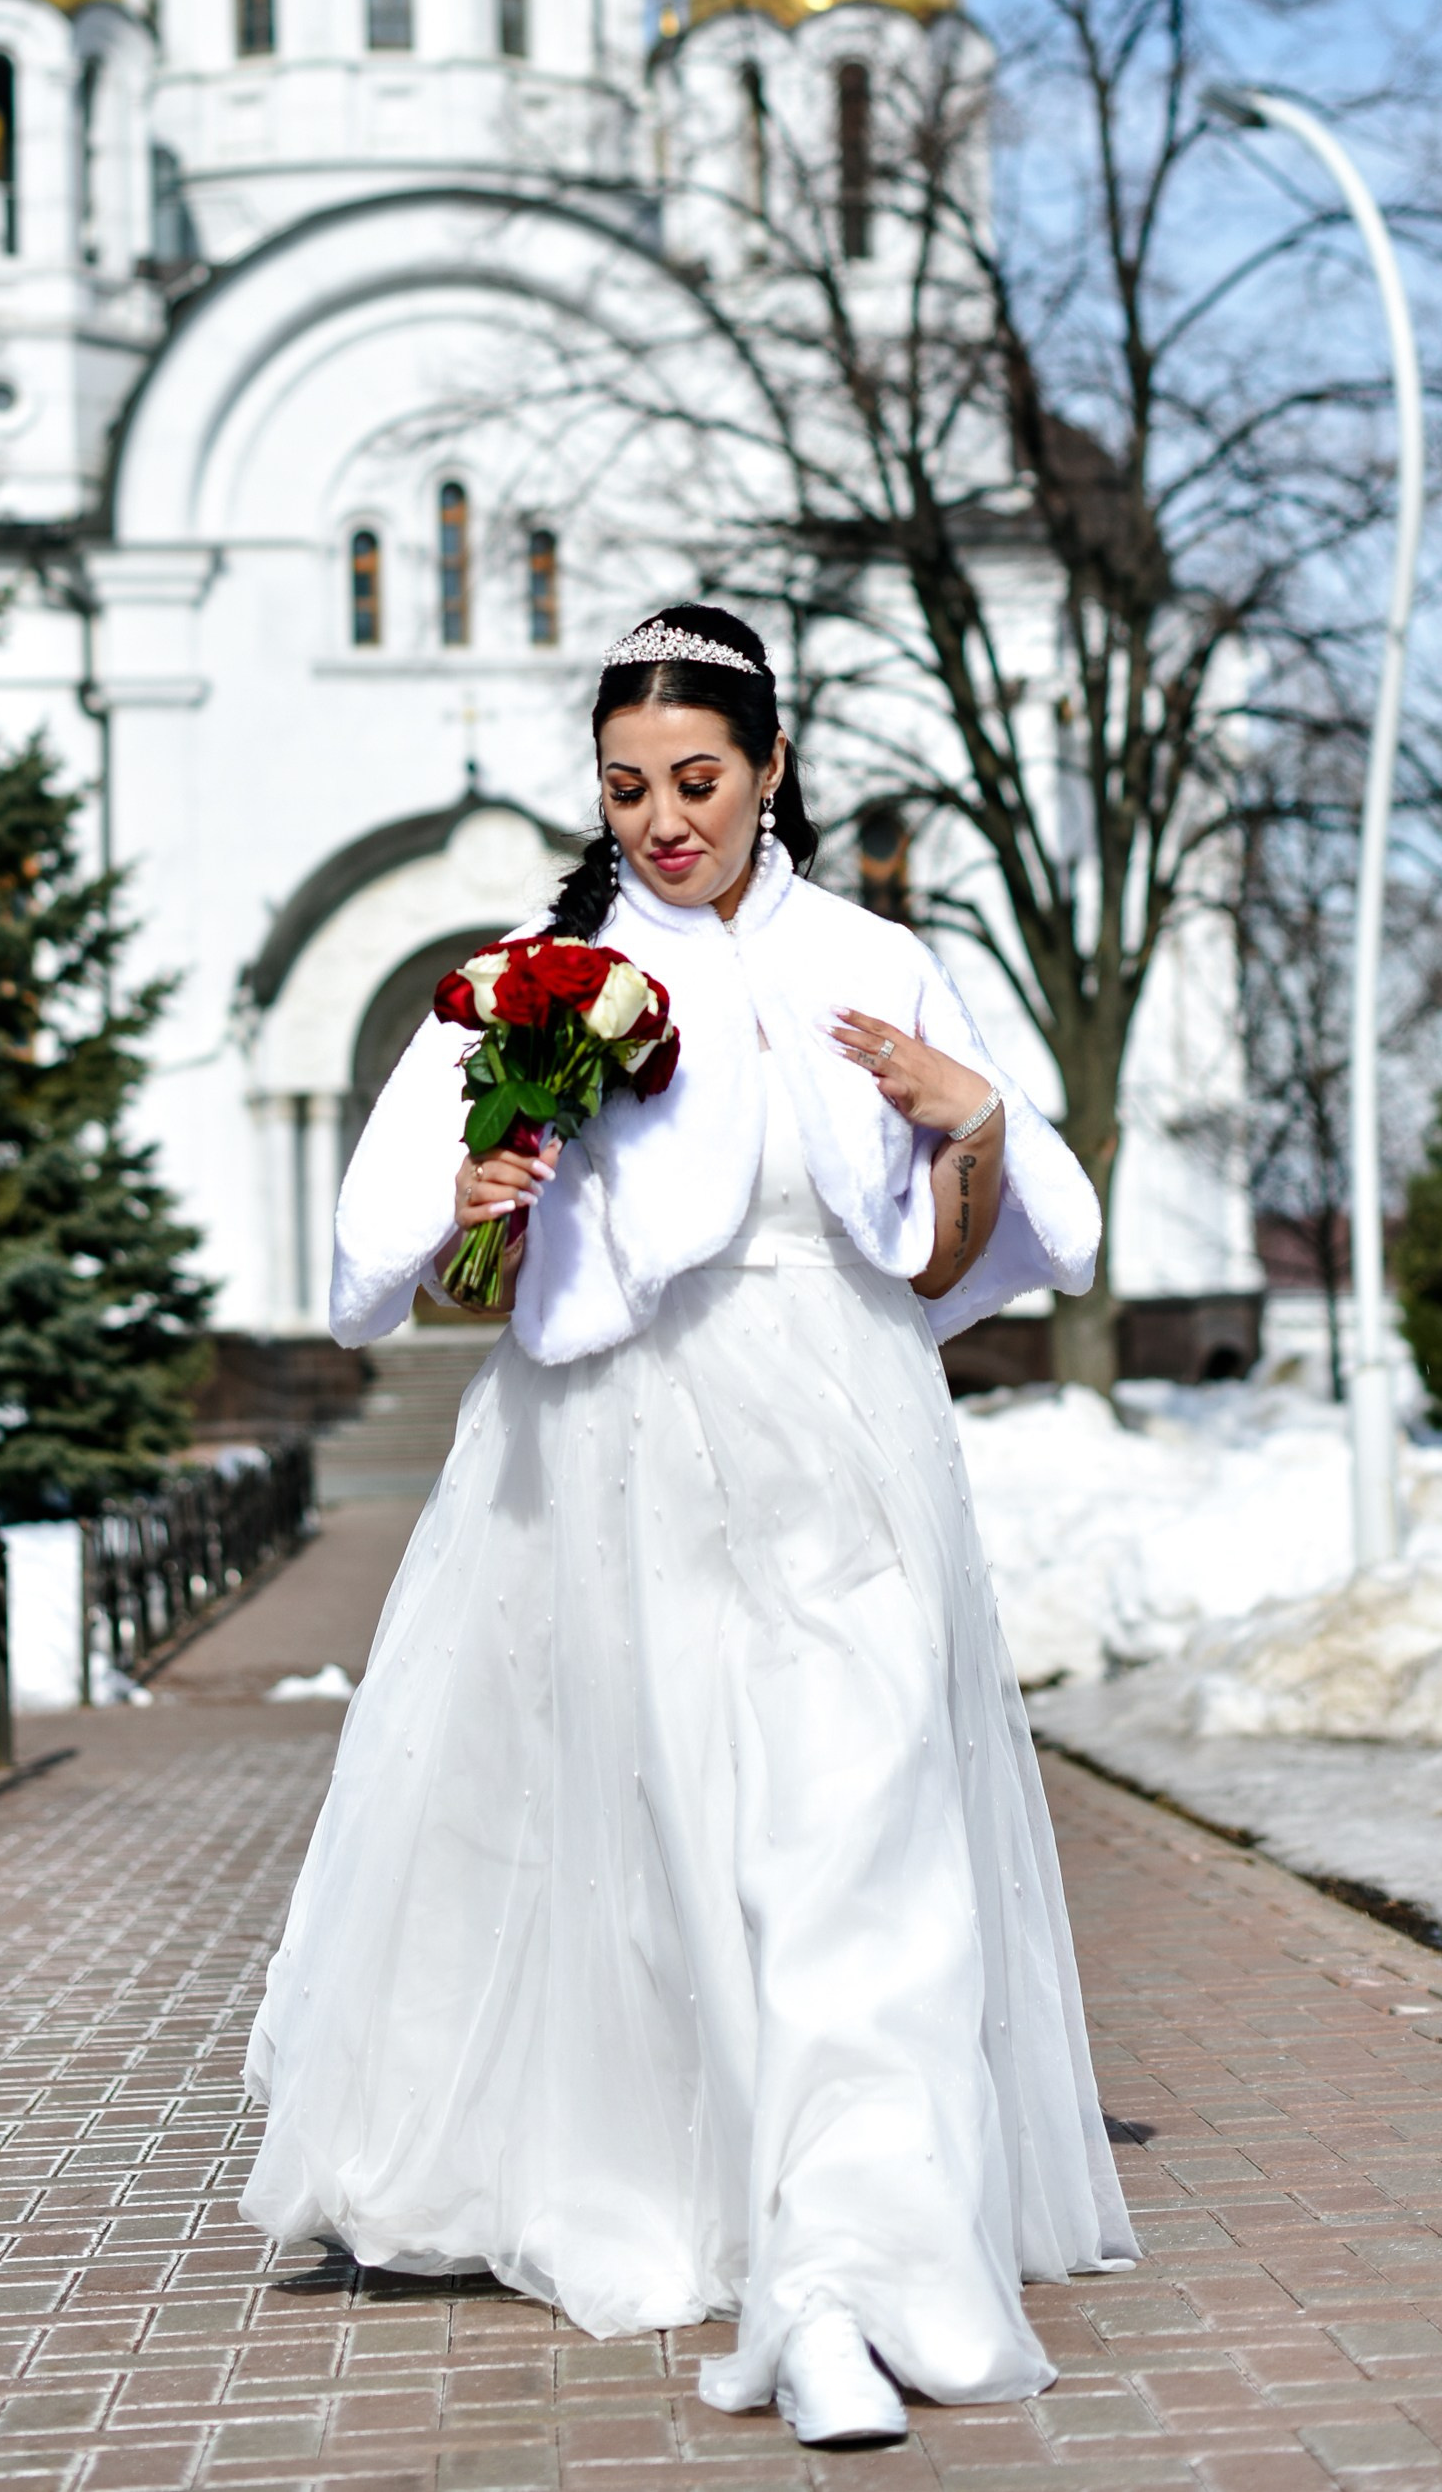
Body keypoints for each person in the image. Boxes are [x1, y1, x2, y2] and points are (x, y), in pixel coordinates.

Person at [242, 606, 1135, 2443]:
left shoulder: (879, 959)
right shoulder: (537, 977)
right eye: (629, 785)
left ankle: (847, 2269)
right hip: (612, 1455)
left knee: (859, 1840)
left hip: (847, 1447)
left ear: (772, 770)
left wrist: (969, 1123)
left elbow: (957, 1258)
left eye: (699, 781)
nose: (663, 820)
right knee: (644, 1835)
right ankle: (699, 2194)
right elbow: (397, 1265)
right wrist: (484, 1192)